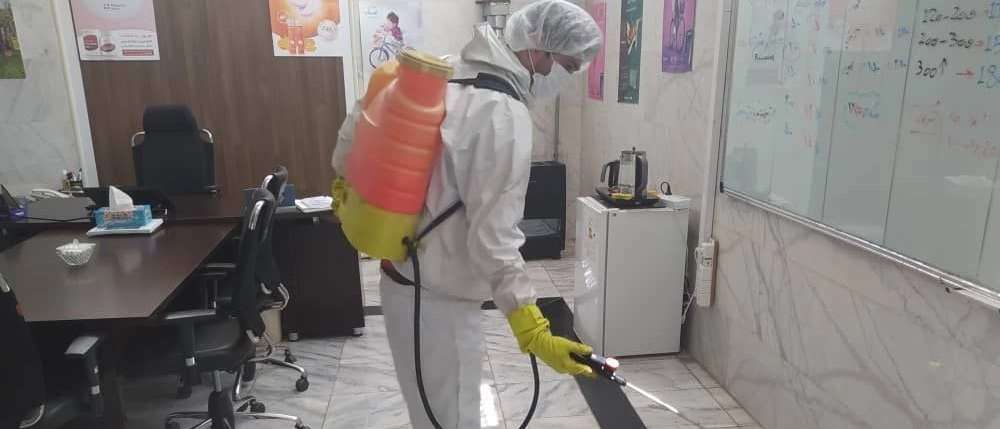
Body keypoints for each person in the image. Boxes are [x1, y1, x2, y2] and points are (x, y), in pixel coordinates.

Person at [332, 1, 602, 427]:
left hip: (406, 281)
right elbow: (493, 239)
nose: (567, 79)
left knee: (438, 415)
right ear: (539, 50)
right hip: (436, 304)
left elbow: (347, 146)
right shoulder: (502, 114)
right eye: (568, 66)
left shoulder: (444, 72)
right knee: (452, 419)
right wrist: (530, 326)